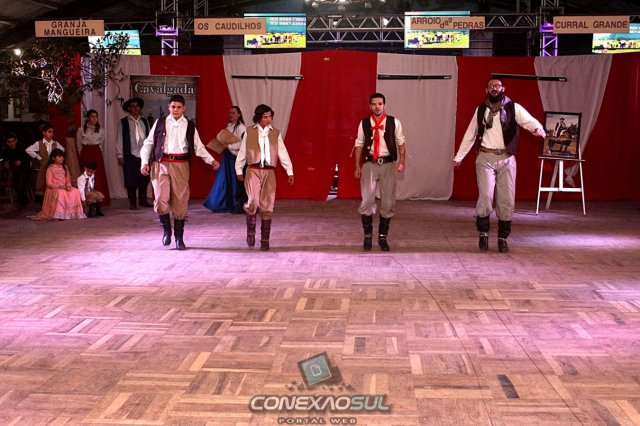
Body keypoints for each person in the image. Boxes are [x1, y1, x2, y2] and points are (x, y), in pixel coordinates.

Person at [453, 78, 545, 253]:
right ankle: (483, 233)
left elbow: (529, 121)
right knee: (485, 197)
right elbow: (470, 135)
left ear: (503, 88)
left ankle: (503, 237)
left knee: (506, 200)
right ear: (486, 90)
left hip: (506, 158)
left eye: (497, 86)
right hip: (485, 157)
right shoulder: (481, 110)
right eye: (491, 86)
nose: (494, 88)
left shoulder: (513, 108)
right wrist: (459, 157)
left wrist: (538, 130)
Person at [140, 94, 220, 250]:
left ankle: (179, 237)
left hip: (181, 165)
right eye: (173, 107)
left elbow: (199, 147)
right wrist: (144, 162)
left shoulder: (189, 125)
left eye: (178, 107)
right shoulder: (160, 122)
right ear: (169, 107)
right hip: (161, 164)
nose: (175, 110)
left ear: (184, 108)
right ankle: (166, 230)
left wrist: (211, 160)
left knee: (180, 201)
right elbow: (148, 143)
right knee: (160, 199)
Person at [235, 104, 294, 251]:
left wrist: (289, 171)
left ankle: (265, 239)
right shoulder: (249, 131)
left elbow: (282, 152)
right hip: (253, 170)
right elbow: (243, 151)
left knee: (267, 204)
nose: (268, 119)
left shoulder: (275, 133)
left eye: (270, 117)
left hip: (269, 171)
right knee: (253, 201)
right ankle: (250, 232)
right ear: (259, 117)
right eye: (265, 117)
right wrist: (239, 170)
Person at [354, 93, 406, 252]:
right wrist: (357, 165)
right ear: (370, 106)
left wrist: (402, 161)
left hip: (388, 164)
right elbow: (359, 144)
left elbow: (401, 143)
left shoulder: (394, 122)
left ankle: (383, 237)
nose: (377, 107)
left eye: (380, 104)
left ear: (384, 105)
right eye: (374, 104)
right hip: (369, 164)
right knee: (367, 201)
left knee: (388, 203)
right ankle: (368, 236)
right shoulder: (364, 123)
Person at [203, 106, 248, 214]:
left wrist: (229, 146)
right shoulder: (229, 126)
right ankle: (227, 203)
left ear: (239, 114)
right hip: (227, 157)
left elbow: (243, 144)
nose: (231, 115)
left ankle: (237, 204)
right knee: (225, 180)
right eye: (230, 113)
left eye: (233, 113)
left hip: (235, 157)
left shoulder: (242, 128)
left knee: (235, 181)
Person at [117, 97, 152, 210]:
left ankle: (143, 200)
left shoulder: (144, 121)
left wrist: (150, 153)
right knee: (130, 179)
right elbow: (120, 138)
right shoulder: (123, 122)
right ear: (129, 108)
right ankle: (132, 202)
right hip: (130, 154)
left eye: (137, 106)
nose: (135, 108)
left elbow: (149, 138)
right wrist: (120, 154)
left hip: (143, 155)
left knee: (144, 178)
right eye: (133, 106)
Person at [33, 149, 85, 220]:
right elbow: (49, 183)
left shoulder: (65, 167)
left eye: (62, 156)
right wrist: (59, 186)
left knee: (75, 191)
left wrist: (68, 185)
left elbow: (68, 180)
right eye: (59, 157)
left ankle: (72, 214)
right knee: (60, 192)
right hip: (53, 189)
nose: (62, 158)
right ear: (53, 158)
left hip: (64, 187)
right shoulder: (50, 168)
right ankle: (59, 215)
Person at [76, 109, 110, 206]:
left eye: (96, 117)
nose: (94, 119)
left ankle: (98, 202)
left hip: (96, 153)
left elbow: (101, 145)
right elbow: (79, 145)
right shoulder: (81, 130)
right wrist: (82, 155)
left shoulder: (101, 130)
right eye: (92, 116)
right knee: (86, 176)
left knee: (98, 176)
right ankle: (87, 201)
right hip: (86, 153)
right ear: (88, 118)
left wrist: (97, 153)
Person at [25, 123, 65, 199]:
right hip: (43, 166)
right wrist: (38, 157)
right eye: (49, 132)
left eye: (52, 132)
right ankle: (42, 198)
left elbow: (63, 149)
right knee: (42, 182)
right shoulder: (39, 143)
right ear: (44, 133)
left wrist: (56, 157)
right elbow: (28, 150)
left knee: (52, 181)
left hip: (53, 167)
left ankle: (51, 197)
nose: (51, 134)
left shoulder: (55, 143)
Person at [1, 133, 31, 207]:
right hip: (14, 170)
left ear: (16, 141)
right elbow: (5, 159)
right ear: (6, 142)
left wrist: (21, 162)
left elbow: (27, 160)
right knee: (15, 181)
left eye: (13, 141)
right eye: (9, 142)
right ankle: (21, 200)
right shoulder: (6, 149)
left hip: (24, 170)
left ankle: (21, 201)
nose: (11, 143)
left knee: (20, 180)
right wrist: (6, 161)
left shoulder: (21, 148)